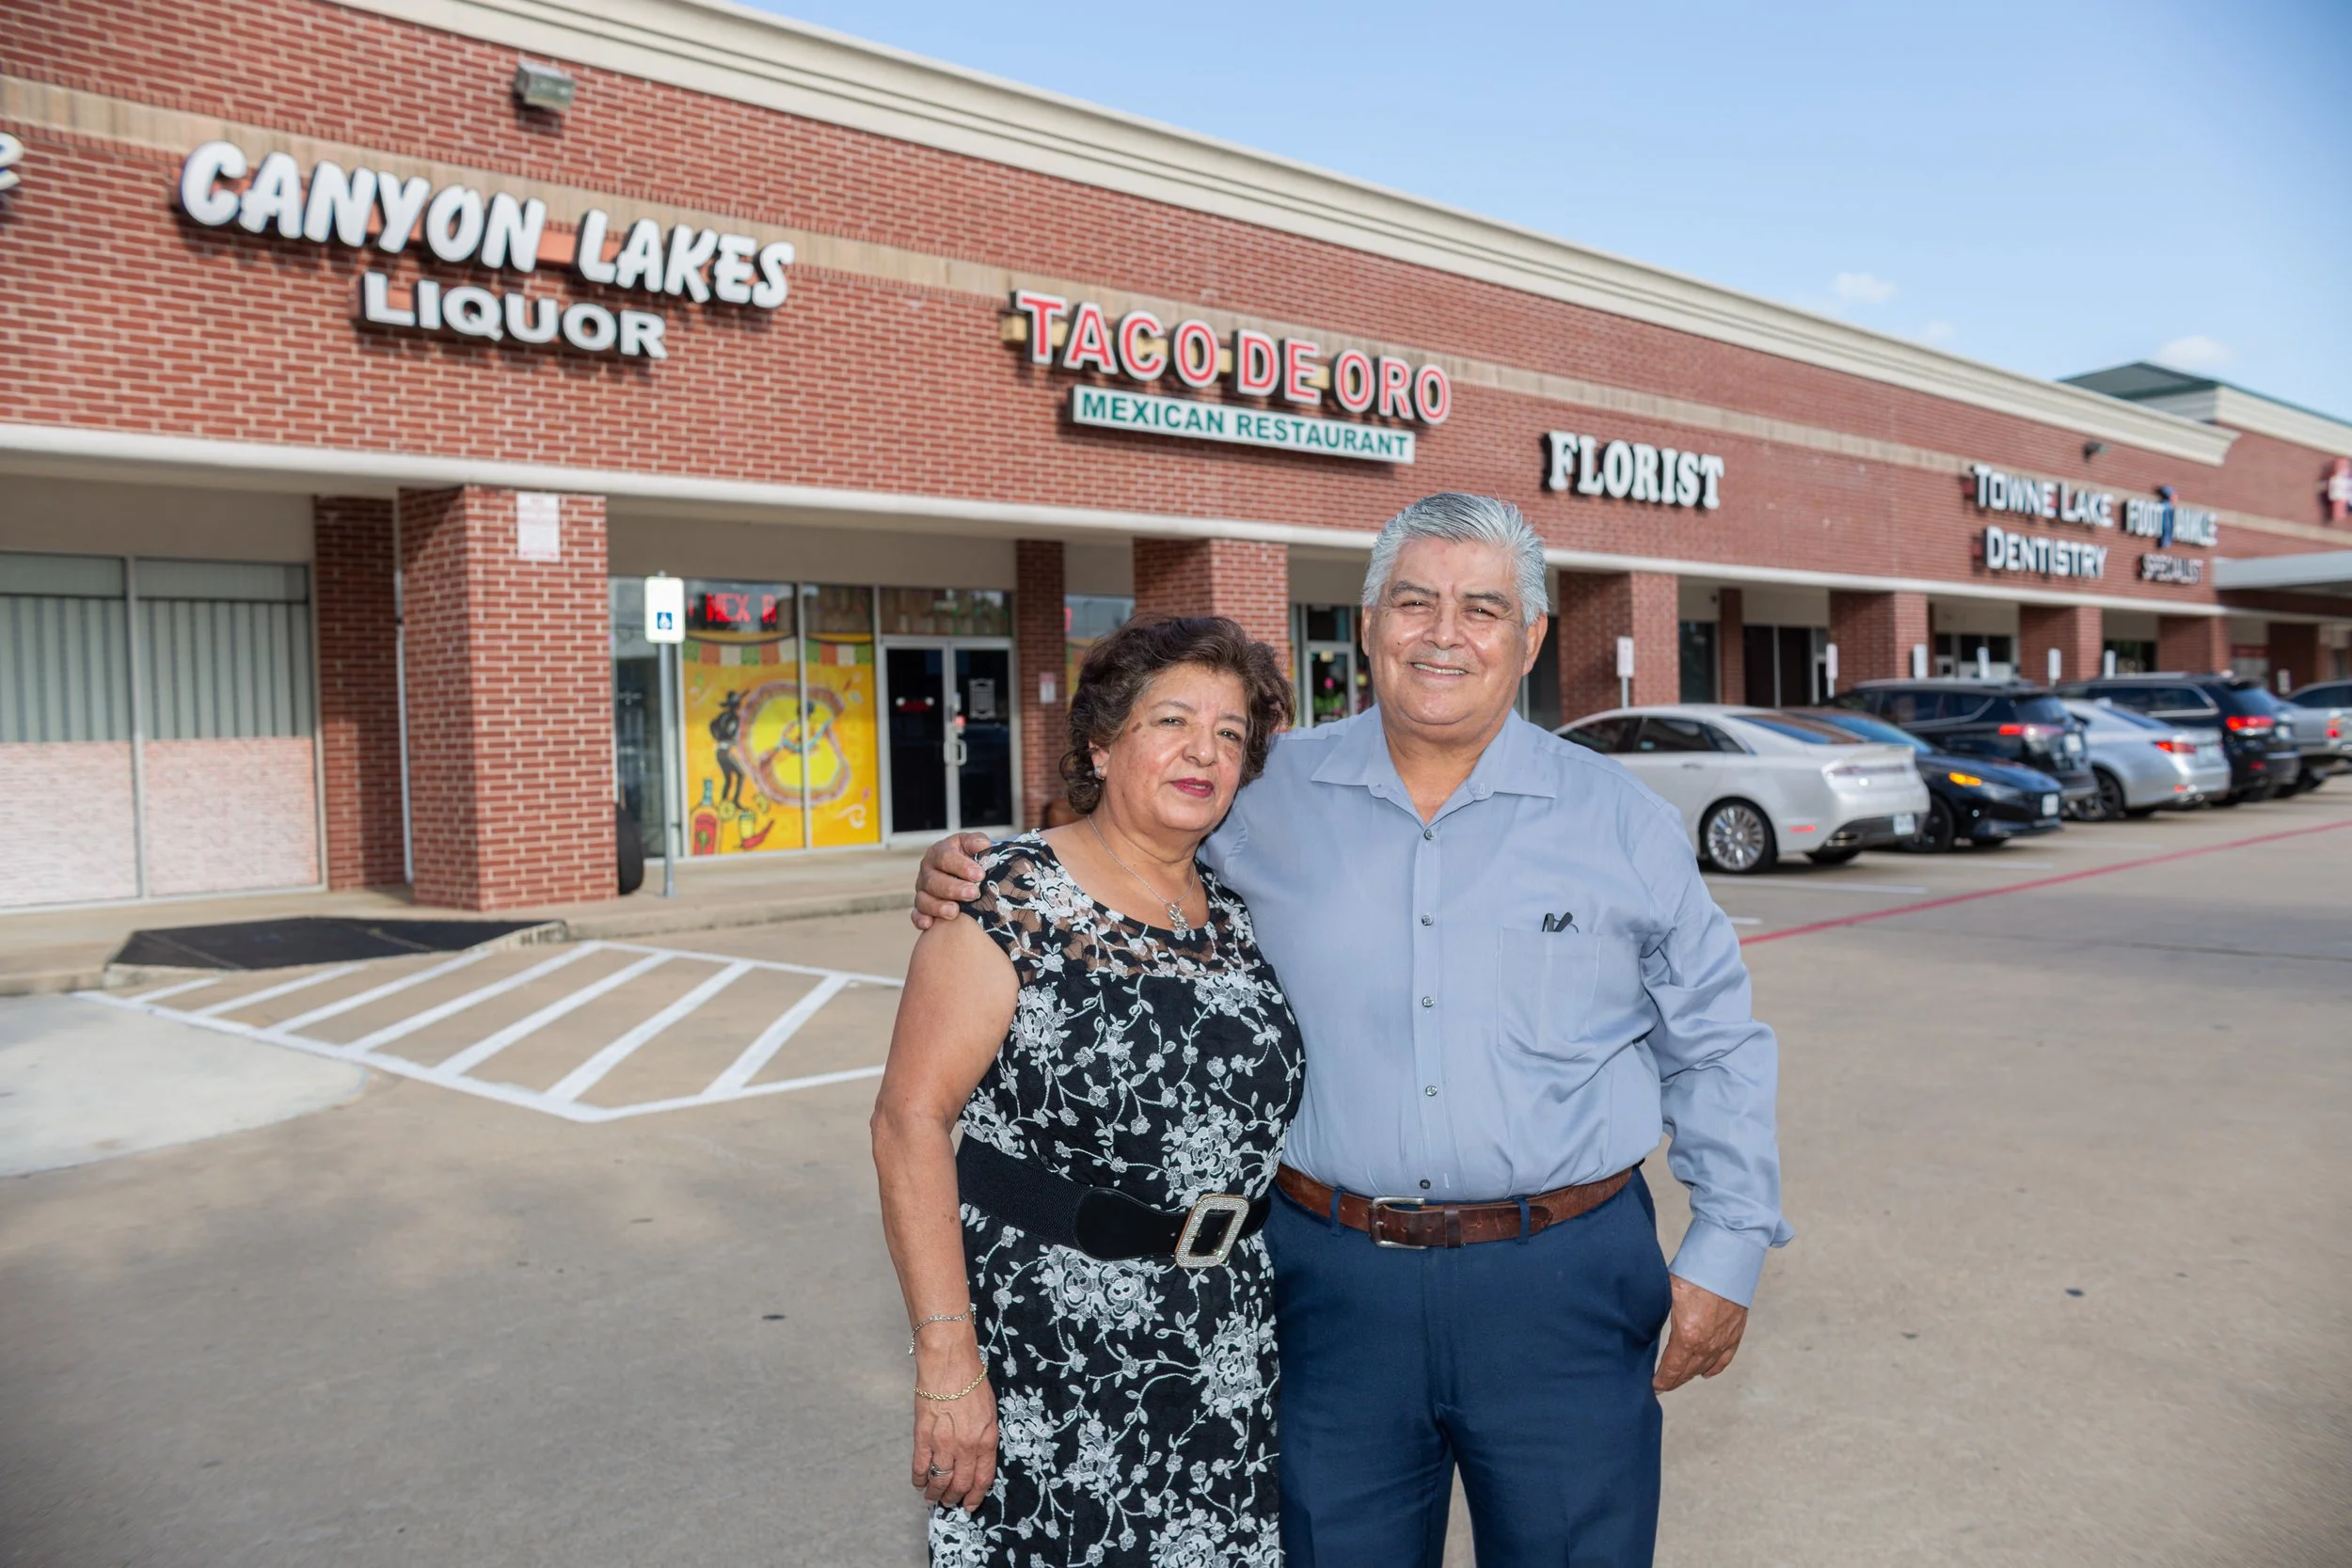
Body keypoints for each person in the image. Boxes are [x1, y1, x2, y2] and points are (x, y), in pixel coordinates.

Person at [915, 494, 1790, 1567]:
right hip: (1326, 1286)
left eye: (1481, 606)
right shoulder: (1263, 794)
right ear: (1369, 622)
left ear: (1531, 639)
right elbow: (1127, 840)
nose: (1443, 631)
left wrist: (1729, 1240)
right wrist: (988, 868)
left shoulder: (1623, 821)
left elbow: (1716, 1039)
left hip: (1560, 1281)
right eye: (1413, 600)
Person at [872, 615, 1303, 1568]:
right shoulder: (1005, 895)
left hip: (1223, 1339)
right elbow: (909, 1119)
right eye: (1172, 721)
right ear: (1102, 744)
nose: (1204, 749)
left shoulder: (1232, 912)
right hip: (1054, 1349)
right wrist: (947, 1357)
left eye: (1230, 733)